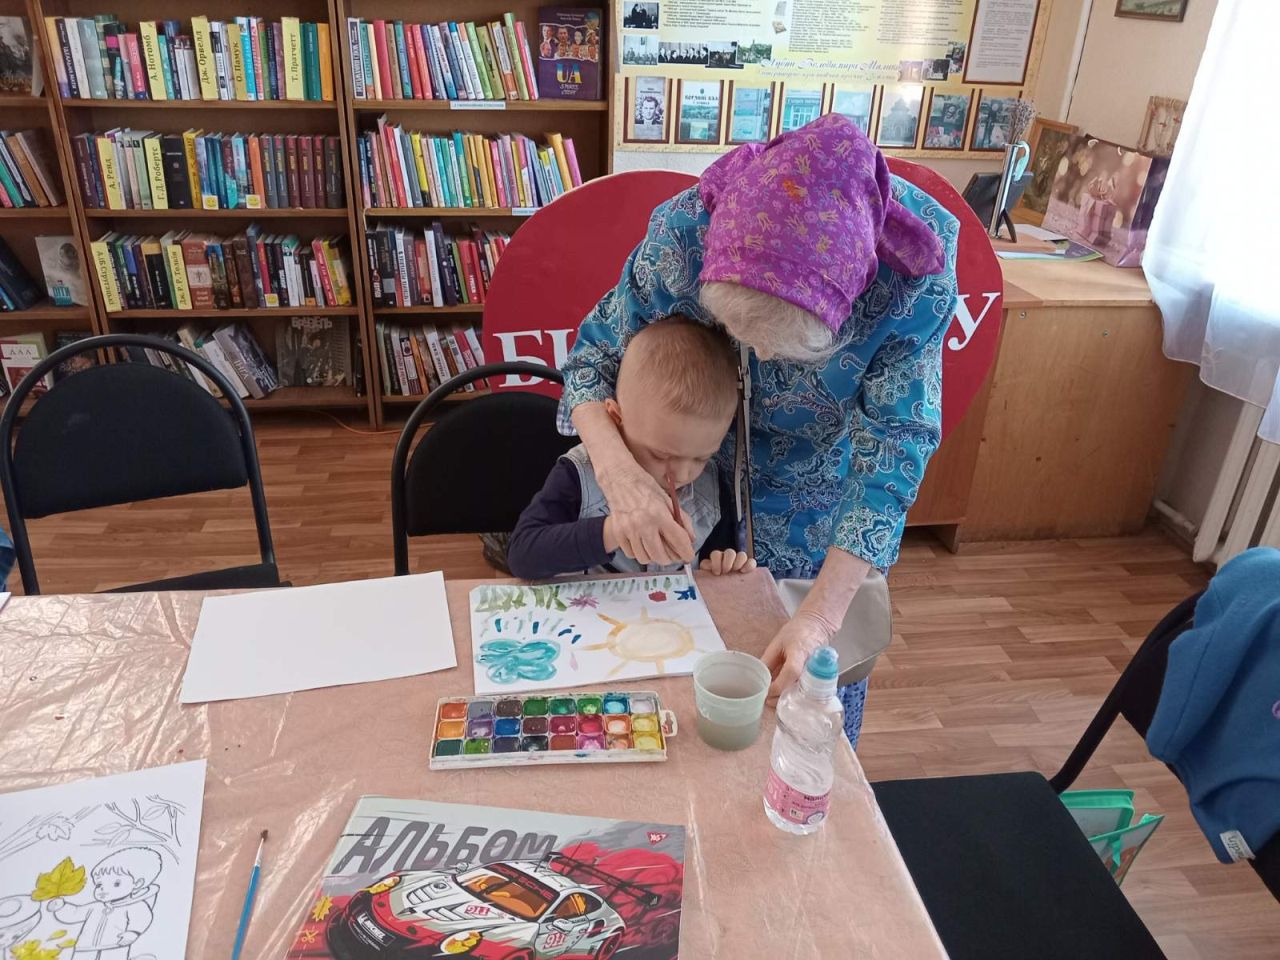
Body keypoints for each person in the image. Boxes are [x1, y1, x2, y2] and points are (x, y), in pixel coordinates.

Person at [557, 113, 957, 746]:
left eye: (786, 350)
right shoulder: (684, 234)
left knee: (802, 699)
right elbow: (591, 365)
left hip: (821, 506)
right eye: (742, 335)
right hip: (697, 490)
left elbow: (895, 446)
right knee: (684, 702)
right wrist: (623, 477)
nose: (762, 360)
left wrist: (821, 617)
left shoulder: (914, 277)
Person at [508, 317, 753, 581]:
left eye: (702, 457)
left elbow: (717, 553)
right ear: (616, 418)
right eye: (662, 455)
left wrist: (721, 563)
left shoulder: (713, 485)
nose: (683, 474)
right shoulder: (578, 473)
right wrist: (615, 530)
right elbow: (522, 556)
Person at [49, 847, 162, 959]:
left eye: (116, 884)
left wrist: (133, 933)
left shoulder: (136, 906)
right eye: (99, 885)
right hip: (85, 948)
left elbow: (142, 919)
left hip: (114, 947)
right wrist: (61, 907)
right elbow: (75, 913)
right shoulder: (95, 907)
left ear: (137, 884)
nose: (103, 889)